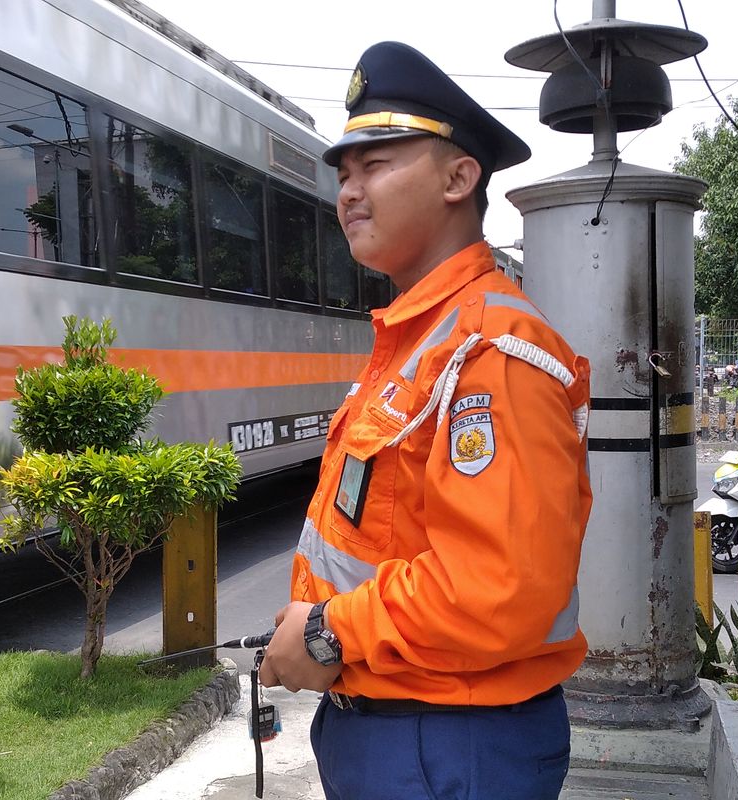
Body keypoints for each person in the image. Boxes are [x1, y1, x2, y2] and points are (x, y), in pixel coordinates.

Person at [257, 41, 592, 800]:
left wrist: (328, 632)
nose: (349, 192)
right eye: (343, 175)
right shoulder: (421, 339)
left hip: (448, 744)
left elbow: (498, 585)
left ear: (457, 178)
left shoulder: (490, 349)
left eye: (375, 165)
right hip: (399, 727)